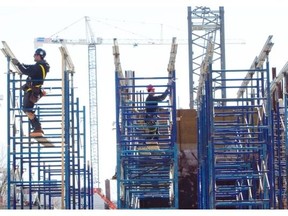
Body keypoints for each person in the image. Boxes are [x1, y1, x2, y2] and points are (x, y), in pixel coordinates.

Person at [12, 48, 50, 137]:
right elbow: (30, 67)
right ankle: (36, 128)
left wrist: (18, 65)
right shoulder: (41, 66)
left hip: (31, 91)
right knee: (27, 109)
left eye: (35, 55)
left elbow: (26, 71)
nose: (34, 56)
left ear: (39, 56)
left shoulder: (38, 67)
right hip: (34, 91)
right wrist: (22, 64)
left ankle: (37, 128)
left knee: (27, 110)